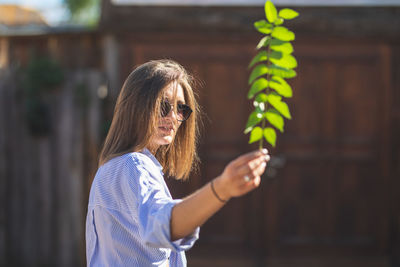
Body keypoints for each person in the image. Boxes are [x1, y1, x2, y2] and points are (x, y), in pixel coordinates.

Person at [85, 59, 270, 267]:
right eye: (164, 106)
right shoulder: (133, 165)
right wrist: (222, 188)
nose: (173, 117)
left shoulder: (111, 168)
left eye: (181, 109)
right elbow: (164, 225)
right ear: (136, 106)